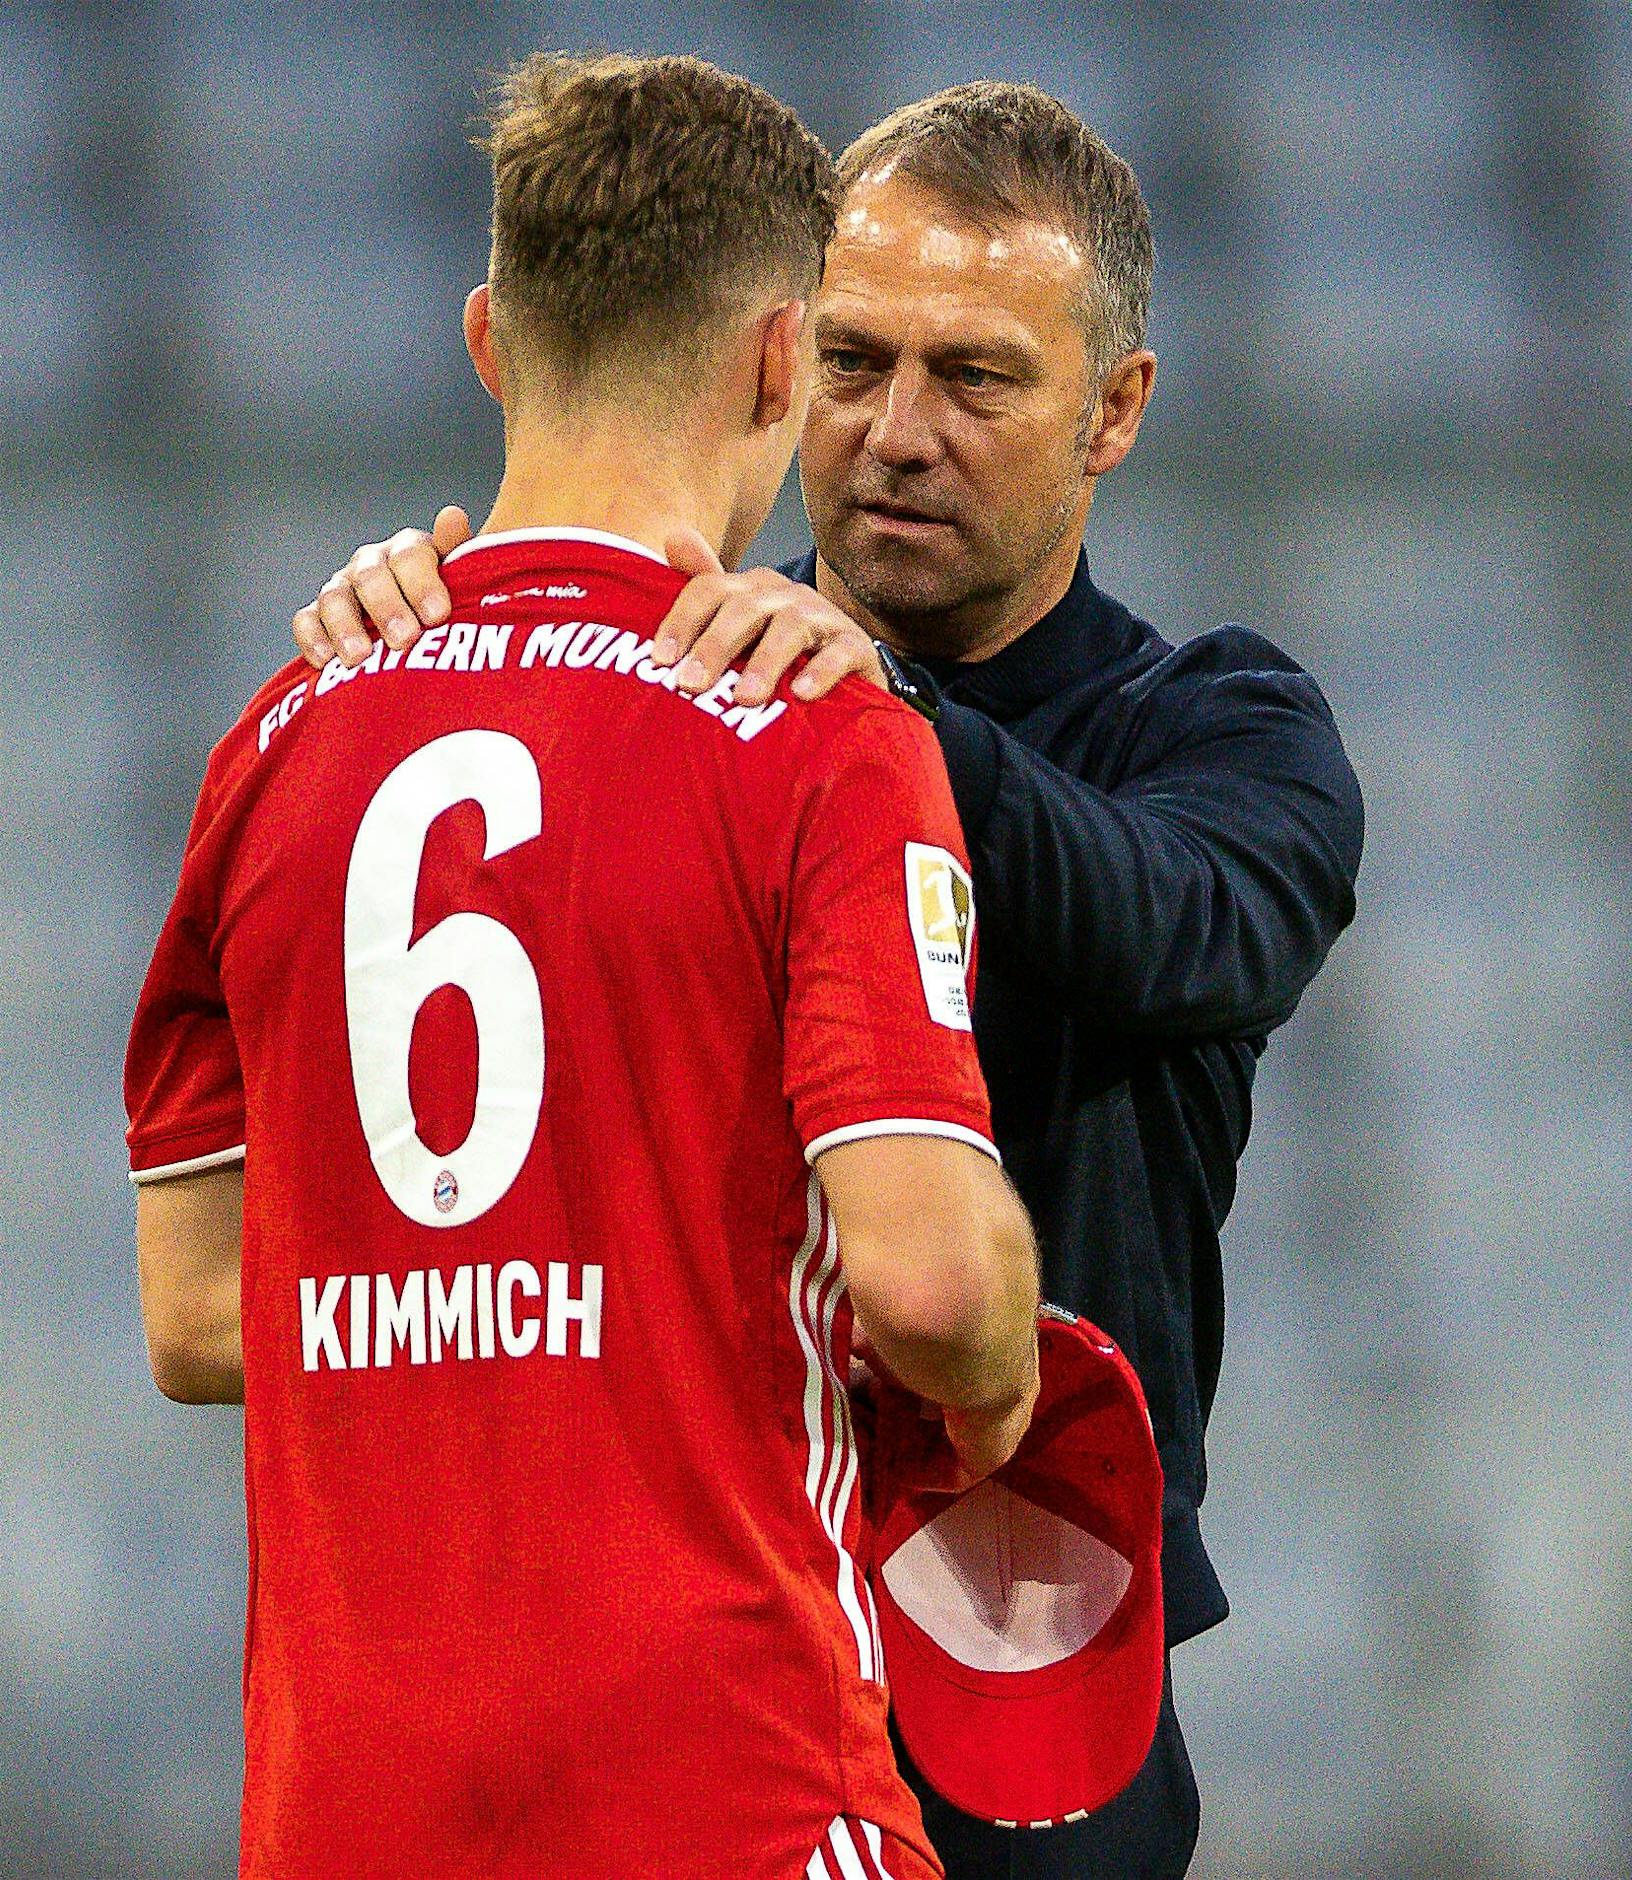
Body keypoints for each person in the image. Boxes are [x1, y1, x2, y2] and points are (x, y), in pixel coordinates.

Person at [296, 82, 1363, 1880]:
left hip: (1016, 1667)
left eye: (979, 378)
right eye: (856, 360)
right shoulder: (670, 684)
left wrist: (884, 719)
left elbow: (1163, 919)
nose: (898, 434)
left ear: (1116, 411)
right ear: (781, 364)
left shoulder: (1222, 732)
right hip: (679, 1642)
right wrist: (432, 665)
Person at [127, 55, 1043, 1880]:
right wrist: (1003, 1384)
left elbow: (204, 1313)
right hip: (727, 1794)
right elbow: (933, 1287)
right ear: (784, 363)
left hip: (349, 1819)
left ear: (489, 335)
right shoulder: (808, 732)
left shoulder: (282, 733)